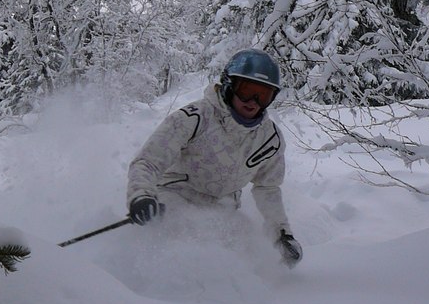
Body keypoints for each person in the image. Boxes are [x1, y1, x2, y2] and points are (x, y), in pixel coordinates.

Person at [126, 48, 302, 266]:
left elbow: (268, 188)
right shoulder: (194, 118)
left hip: (223, 209)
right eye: (247, 90)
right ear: (229, 85)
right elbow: (148, 161)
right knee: (183, 247)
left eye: (263, 95)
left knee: (244, 257)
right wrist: (141, 196)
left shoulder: (269, 139)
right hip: (174, 200)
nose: (253, 101)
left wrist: (282, 234)